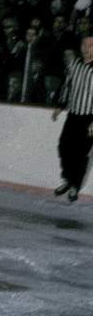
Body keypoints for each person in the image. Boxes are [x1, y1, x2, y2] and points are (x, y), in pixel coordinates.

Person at [52, 34, 93, 203]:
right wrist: (59, 107)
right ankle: (67, 180)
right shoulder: (74, 64)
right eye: (84, 44)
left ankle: (74, 186)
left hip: (89, 117)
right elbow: (66, 87)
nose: (86, 48)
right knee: (63, 147)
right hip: (73, 114)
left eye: (90, 45)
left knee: (80, 153)